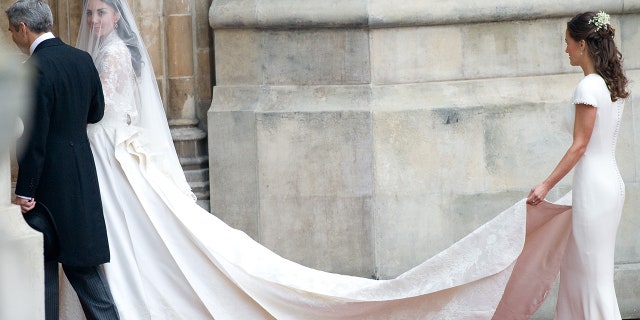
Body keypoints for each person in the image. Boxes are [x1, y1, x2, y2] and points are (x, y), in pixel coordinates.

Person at [64, 0, 579, 318]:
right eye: (89, 13)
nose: (93, 20)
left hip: (112, 147)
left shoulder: (111, 54)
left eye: (101, 13)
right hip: (118, 149)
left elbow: (107, 109)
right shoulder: (106, 52)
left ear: (116, 16)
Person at [5, 0, 120, 319]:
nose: (12, 37)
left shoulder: (32, 70)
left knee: (56, 270)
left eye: (11, 31)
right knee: (76, 264)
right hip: (81, 174)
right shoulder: (82, 59)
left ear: (22, 28)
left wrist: (24, 189)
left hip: (47, 187)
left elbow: (33, 135)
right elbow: (96, 113)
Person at [527, 11, 628, 319]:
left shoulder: (588, 87)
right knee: (580, 272)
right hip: (607, 184)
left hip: (594, 188)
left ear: (582, 44)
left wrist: (545, 185)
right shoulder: (611, 85)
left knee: (591, 277)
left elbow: (580, 145)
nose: (565, 49)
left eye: (568, 42)